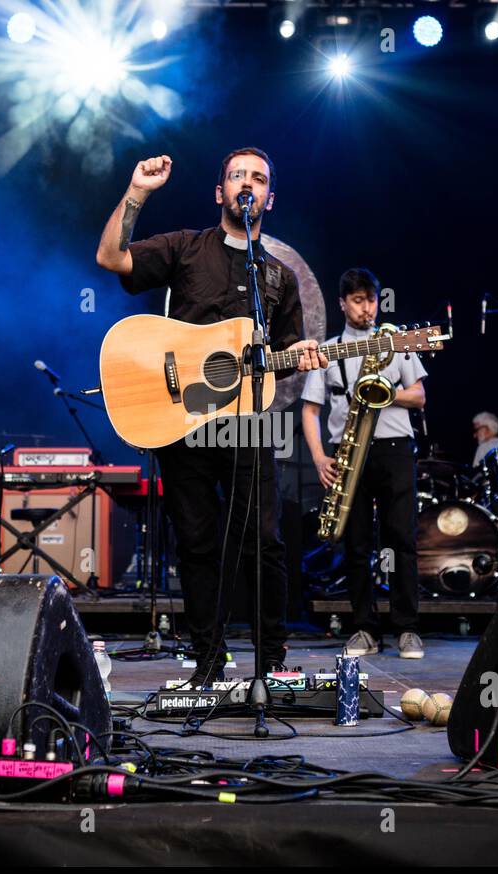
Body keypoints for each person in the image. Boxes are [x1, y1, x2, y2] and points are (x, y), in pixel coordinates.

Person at [95, 148, 327, 688]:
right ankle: (208, 661)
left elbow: (286, 359)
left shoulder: (279, 278)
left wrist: (304, 355)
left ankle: (271, 662)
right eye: (237, 175)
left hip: (249, 421)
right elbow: (111, 258)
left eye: (260, 178)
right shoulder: (184, 247)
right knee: (197, 543)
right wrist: (137, 193)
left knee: (265, 542)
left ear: (270, 197)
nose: (248, 183)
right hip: (184, 419)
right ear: (220, 191)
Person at [301, 268, 427, 660]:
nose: (366, 308)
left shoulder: (395, 341)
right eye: (357, 300)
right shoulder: (328, 349)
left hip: (393, 448)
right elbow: (310, 410)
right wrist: (320, 457)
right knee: (355, 545)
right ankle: (363, 628)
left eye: (370, 299)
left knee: (401, 540)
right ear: (342, 303)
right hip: (347, 452)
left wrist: (383, 393)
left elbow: (419, 396)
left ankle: (407, 629)